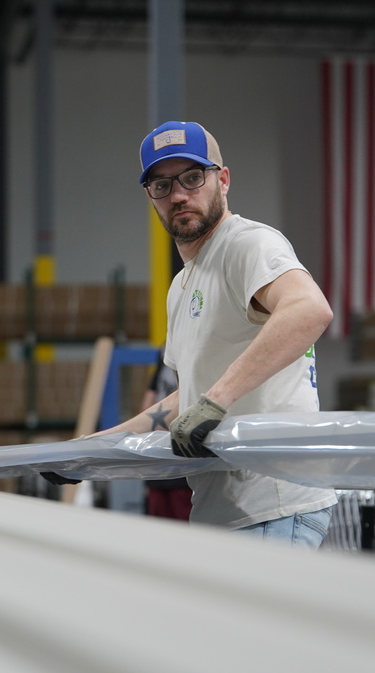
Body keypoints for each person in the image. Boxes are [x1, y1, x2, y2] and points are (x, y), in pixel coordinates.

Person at [93, 120, 338, 548]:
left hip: (273, 504)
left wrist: (213, 402)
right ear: (150, 198)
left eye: (192, 177)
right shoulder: (182, 285)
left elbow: (309, 310)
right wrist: (97, 447)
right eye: (162, 185)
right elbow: (188, 401)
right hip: (223, 509)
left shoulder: (247, 244)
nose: (179, 195)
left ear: (222, 180)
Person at [140, 345, 193, 521]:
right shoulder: (167, 348)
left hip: (184, 454)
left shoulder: (192, 343)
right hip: (159, 454)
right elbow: (151, 395)